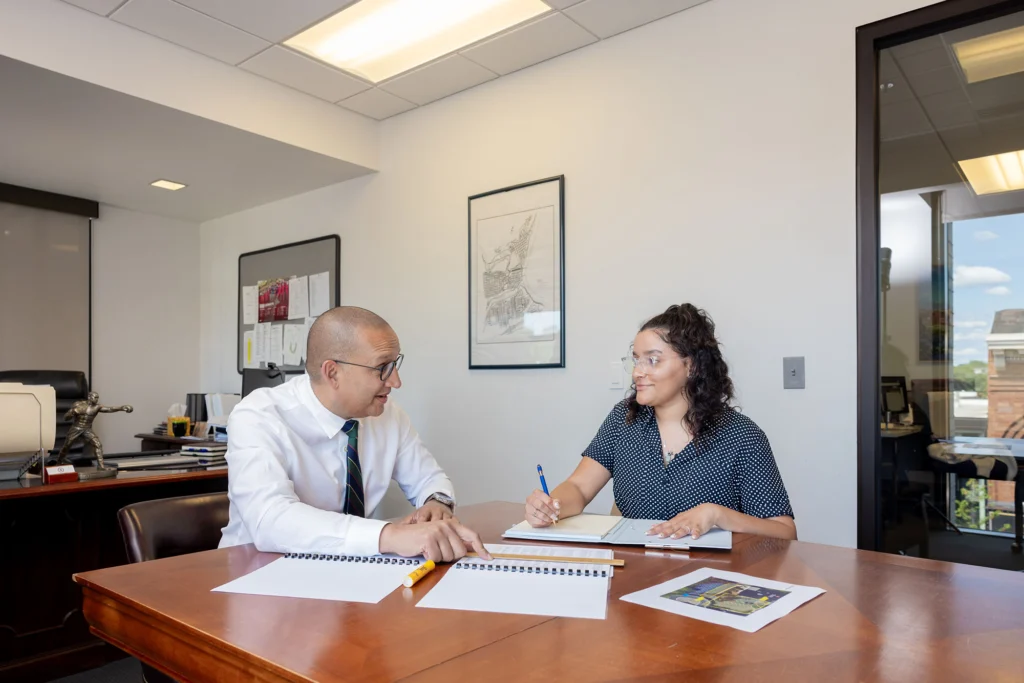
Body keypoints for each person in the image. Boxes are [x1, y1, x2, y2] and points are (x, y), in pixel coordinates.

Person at [220, 306, 491, 562]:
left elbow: (429, 479)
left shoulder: (387, 414)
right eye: (382, 367)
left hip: (348, 575)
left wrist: (437, 504)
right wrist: (389, 535)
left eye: (395, 364)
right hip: (255, 575)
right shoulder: (258, 416)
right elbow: (271, 520)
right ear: (333, 372)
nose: (396, 381)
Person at [525, 304, 796, 541]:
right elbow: (578, 487)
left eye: (653, 360)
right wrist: (552, 506)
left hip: (710, 584)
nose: (638, 372)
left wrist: (718, 515)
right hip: (633, 575)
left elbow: (784, 531)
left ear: (692, 366)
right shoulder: (623, 419)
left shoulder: (741, 436)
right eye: (636, 360)